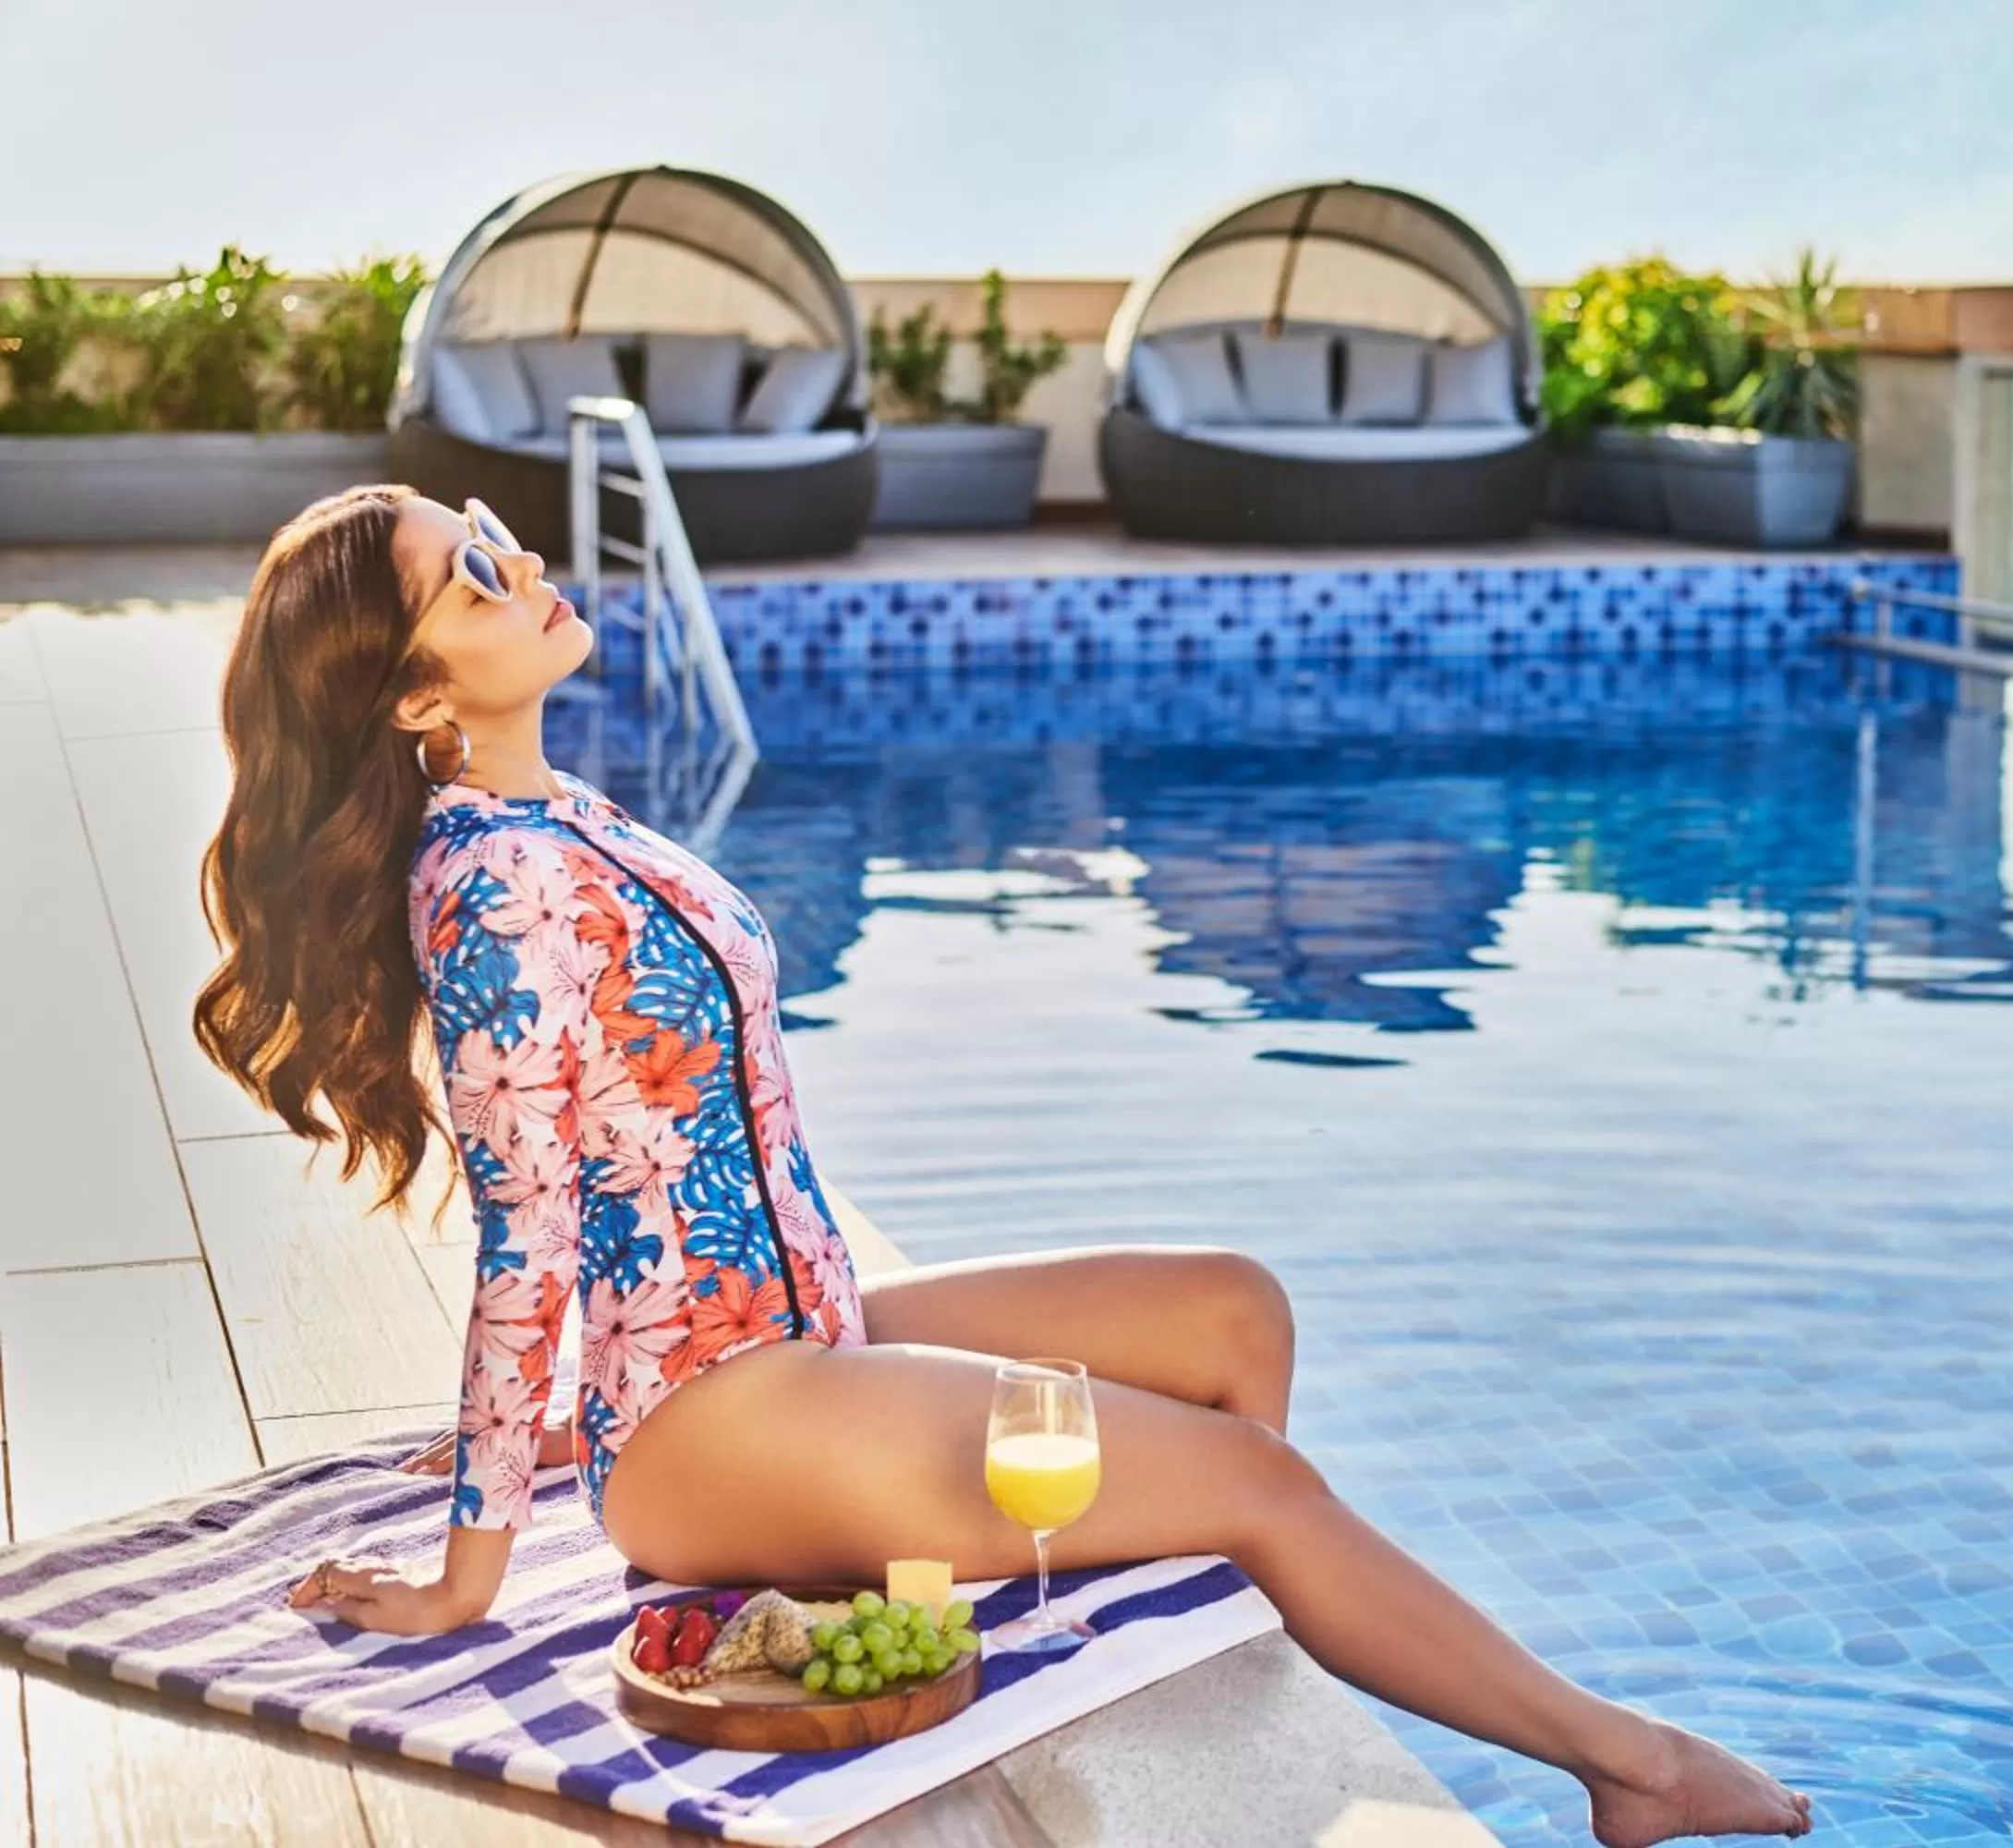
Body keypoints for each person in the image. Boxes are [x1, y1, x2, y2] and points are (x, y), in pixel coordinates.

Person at [191, 484, 1813, 1846]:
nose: (522, 558)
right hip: (713, 1418)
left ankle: (1181, 1588)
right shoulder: (488, 892)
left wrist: (565, 1407)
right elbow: (527, 1231)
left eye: (490, 528)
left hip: (795, 1329)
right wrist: (473, 1570)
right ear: (414, 698)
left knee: (1233, 1315)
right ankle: (1628, 1764)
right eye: (473, 570)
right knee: (1261, 1483)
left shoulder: (564, 816)